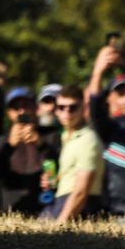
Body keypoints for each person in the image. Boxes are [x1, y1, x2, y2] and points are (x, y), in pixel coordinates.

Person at [86, 46, 125, 218]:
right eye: (120, 94)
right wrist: (98, 72)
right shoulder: (108, 128)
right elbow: (95, 105)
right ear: (110, 98)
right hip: (114, 210)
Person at [47, 86, 102, 223]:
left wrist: (61, 223)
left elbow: (81, 191)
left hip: (79, 208)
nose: (66, 112)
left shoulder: (88, 139)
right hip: (63, 201)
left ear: (83, 108)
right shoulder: (65, 136)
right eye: (61, 107)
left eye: (73, 107)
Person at [0, 87, 47, 215]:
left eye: (26, 105)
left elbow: (56, 169)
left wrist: (41, 145)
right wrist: (9, 146)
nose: (22, 111)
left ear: (36, 108)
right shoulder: (3, 140)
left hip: (45, 209)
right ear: (9, 113)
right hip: (13, 211)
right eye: (16, 108)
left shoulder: (49, 136)